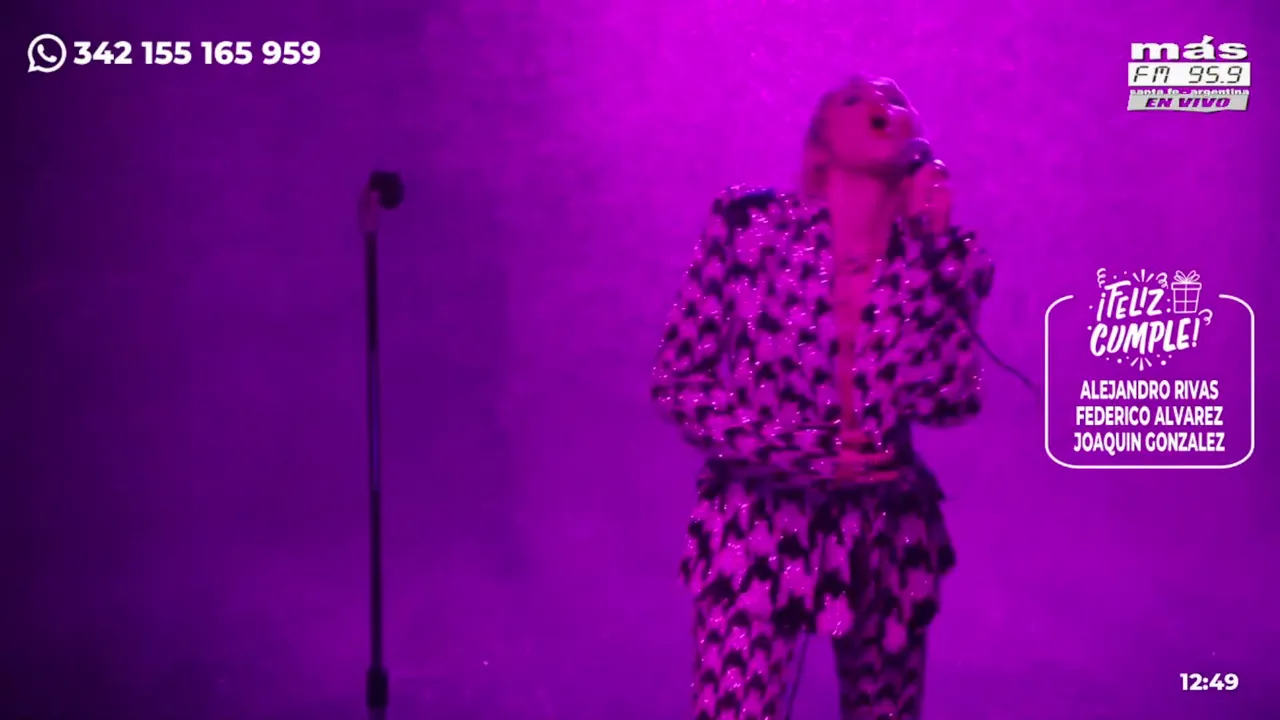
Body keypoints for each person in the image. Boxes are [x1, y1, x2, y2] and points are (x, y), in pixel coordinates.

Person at [651, 74, 996, 720]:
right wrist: (803, 454)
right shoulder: (749, 228)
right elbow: (680, 381)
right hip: (756, 522)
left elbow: (949, 399)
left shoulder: (940, 258)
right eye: (855, 98)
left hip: (886, 530)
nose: (883, 102)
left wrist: (934, 253)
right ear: (819, 146)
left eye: (897, 99)